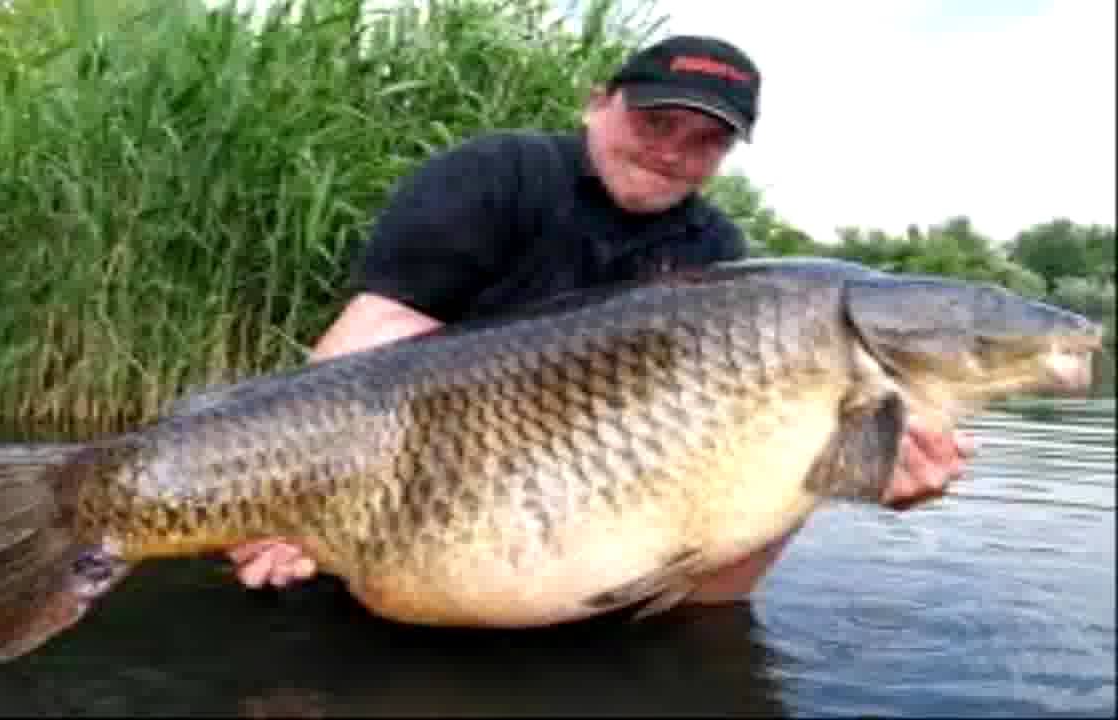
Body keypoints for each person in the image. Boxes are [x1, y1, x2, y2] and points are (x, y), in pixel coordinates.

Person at [225, 35, 975, 605]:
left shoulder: (717, 252)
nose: (673, 153)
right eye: (655, 122)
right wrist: (278, 479)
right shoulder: (496, 175)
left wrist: (863, 465)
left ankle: (686, 634)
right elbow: (375, 335)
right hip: (426, 468)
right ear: (598, 102)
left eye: (706, 139)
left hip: (591, 485)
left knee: (791, 444)